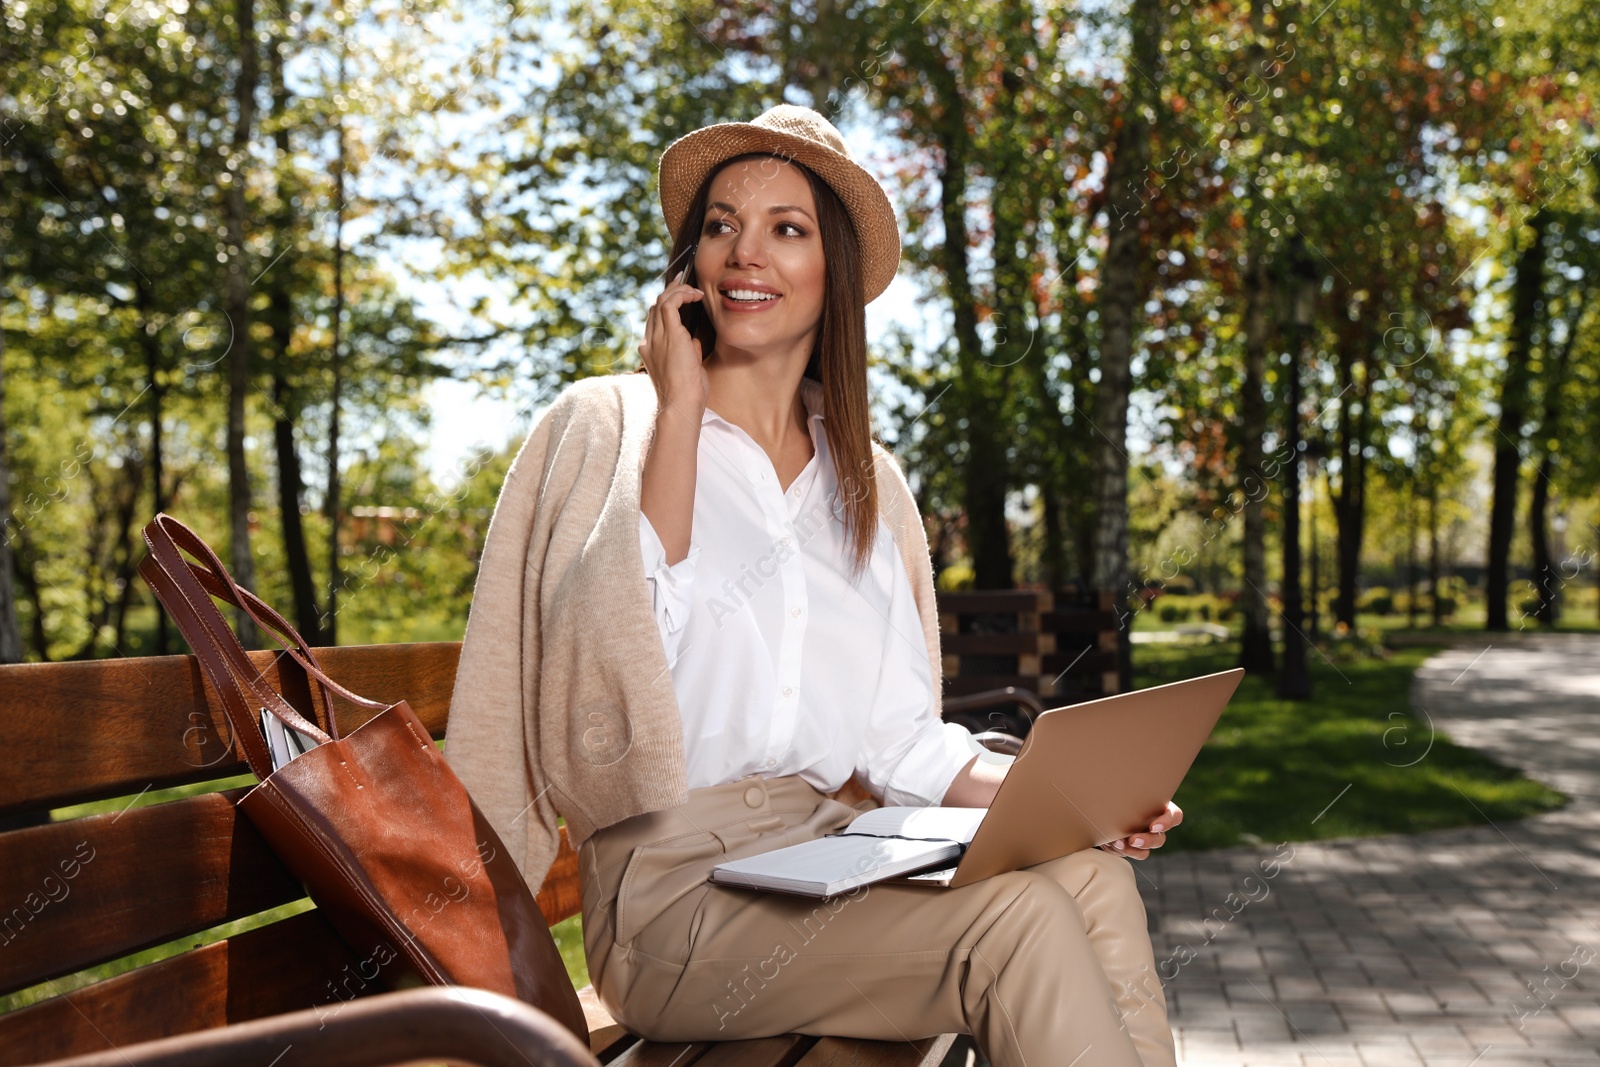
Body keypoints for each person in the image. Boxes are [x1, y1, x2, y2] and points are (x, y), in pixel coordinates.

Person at [445, 104, 1181, 1067]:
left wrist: (1083, 801)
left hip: (835, 855)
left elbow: (902, 739)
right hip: (672, 901)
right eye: (720, 225)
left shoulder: (865, 480)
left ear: (833, 270)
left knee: (1086, 876)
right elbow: (608, 683)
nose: (744, 253)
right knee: (1016, 923)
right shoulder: (607, 426)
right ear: (689, 261)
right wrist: (679, 411)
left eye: (786, 229)